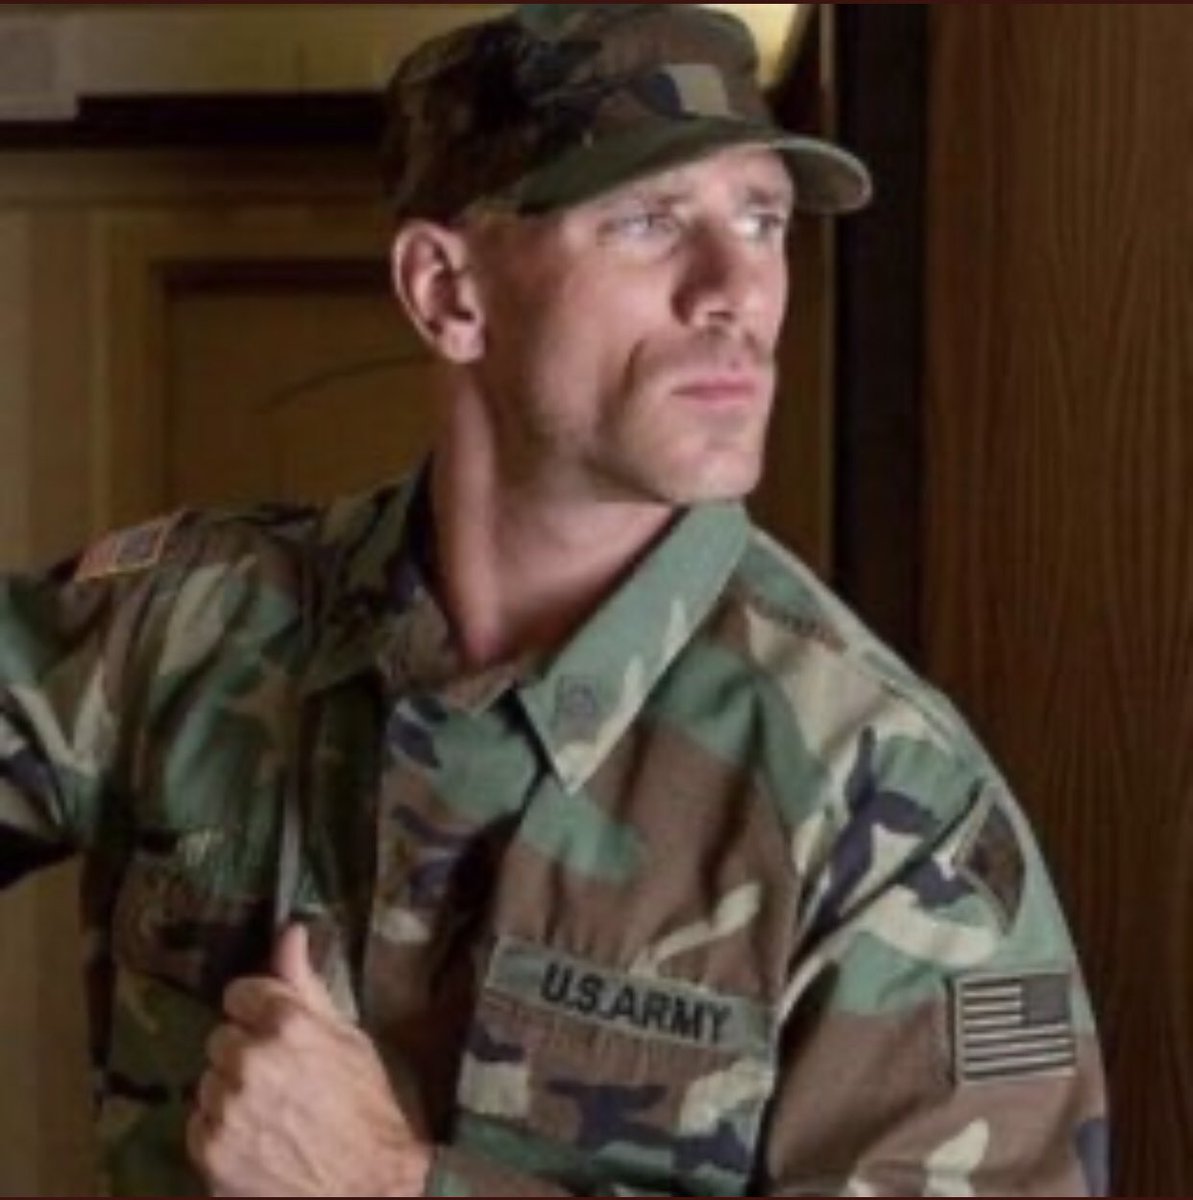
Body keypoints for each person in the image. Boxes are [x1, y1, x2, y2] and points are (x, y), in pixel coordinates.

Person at [0, 5, 1108, 1196]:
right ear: (447, 292)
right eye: (647, 222)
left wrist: (395, 1185)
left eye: (761, 220)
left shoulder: (883, 794)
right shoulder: (187, 626)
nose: (735, 289)